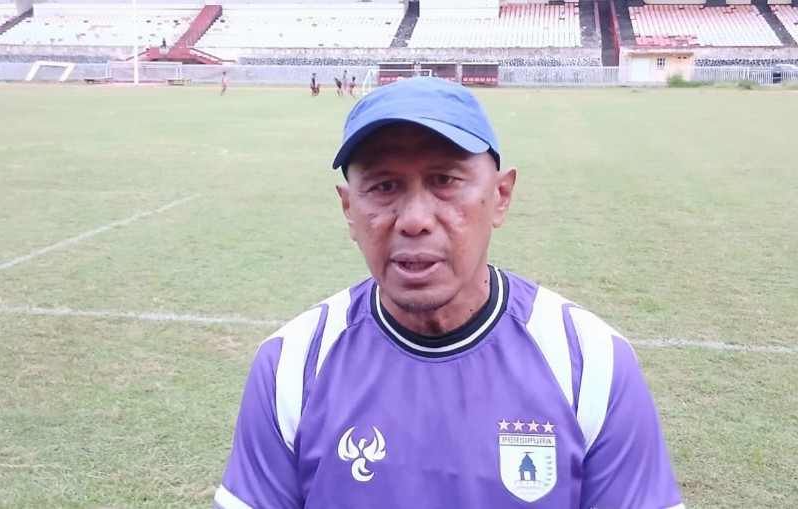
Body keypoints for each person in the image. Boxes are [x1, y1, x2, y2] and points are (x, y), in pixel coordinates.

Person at [213, 77, 685, 509]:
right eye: (383, 186)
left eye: (444, 181)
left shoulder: (591, 363)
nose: (415, 219)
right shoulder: (291, 366)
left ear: (500, 196)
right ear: (348, 209)